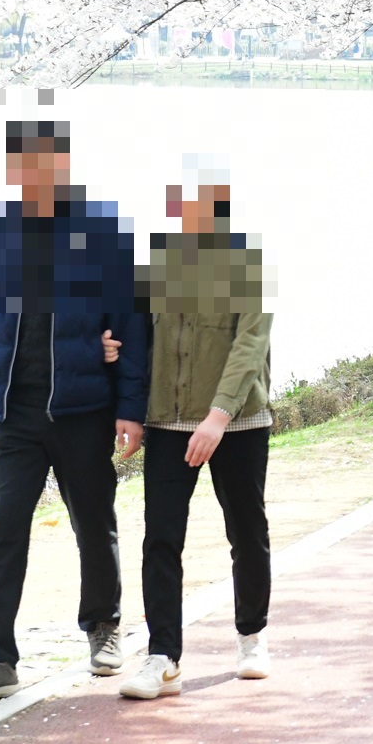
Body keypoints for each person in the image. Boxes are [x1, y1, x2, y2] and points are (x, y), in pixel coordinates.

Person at [0, 121, 148, 704]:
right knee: (5, 531)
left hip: (83, 409)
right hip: (12, 412)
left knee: (95, 523)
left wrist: (131, 409)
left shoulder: (102, 232)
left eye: (44, 166)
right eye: (23, 166)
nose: (32, 177)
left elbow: (132, 326)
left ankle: (104, 628)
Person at [119, 159, 273, 700]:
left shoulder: (249, 264)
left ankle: (251, 636)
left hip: (237, 423)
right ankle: (162, 657)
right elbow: (137, 340)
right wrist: (125, 396)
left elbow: (250, 346)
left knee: (246, 531)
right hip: (165, 421)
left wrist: (219, 415)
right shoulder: (158, 264)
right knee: (160, 537)